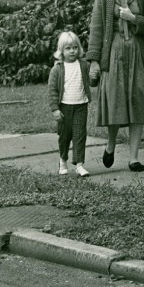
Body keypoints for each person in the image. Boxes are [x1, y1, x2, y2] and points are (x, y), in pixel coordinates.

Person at [86, 0, 144, 171]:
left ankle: (133, 158)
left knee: (137, 98)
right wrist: (94, 62)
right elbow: (97, 30)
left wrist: (133, 18)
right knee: (115, 100)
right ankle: (110, 145)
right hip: (114, 54)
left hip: (138, 52)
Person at [47, 30, 91, 177]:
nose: (72, 51)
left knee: (80, 135)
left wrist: (94, 77)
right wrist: (55, 109)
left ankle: (79, 164)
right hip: (64, 107)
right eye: (68, 48)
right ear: (61, 51)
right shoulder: (57, 69)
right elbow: (52, 90)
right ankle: (63, 161)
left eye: (75, 47)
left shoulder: (84, 65)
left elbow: (91, 81)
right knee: (64, 136)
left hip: (81, 105)